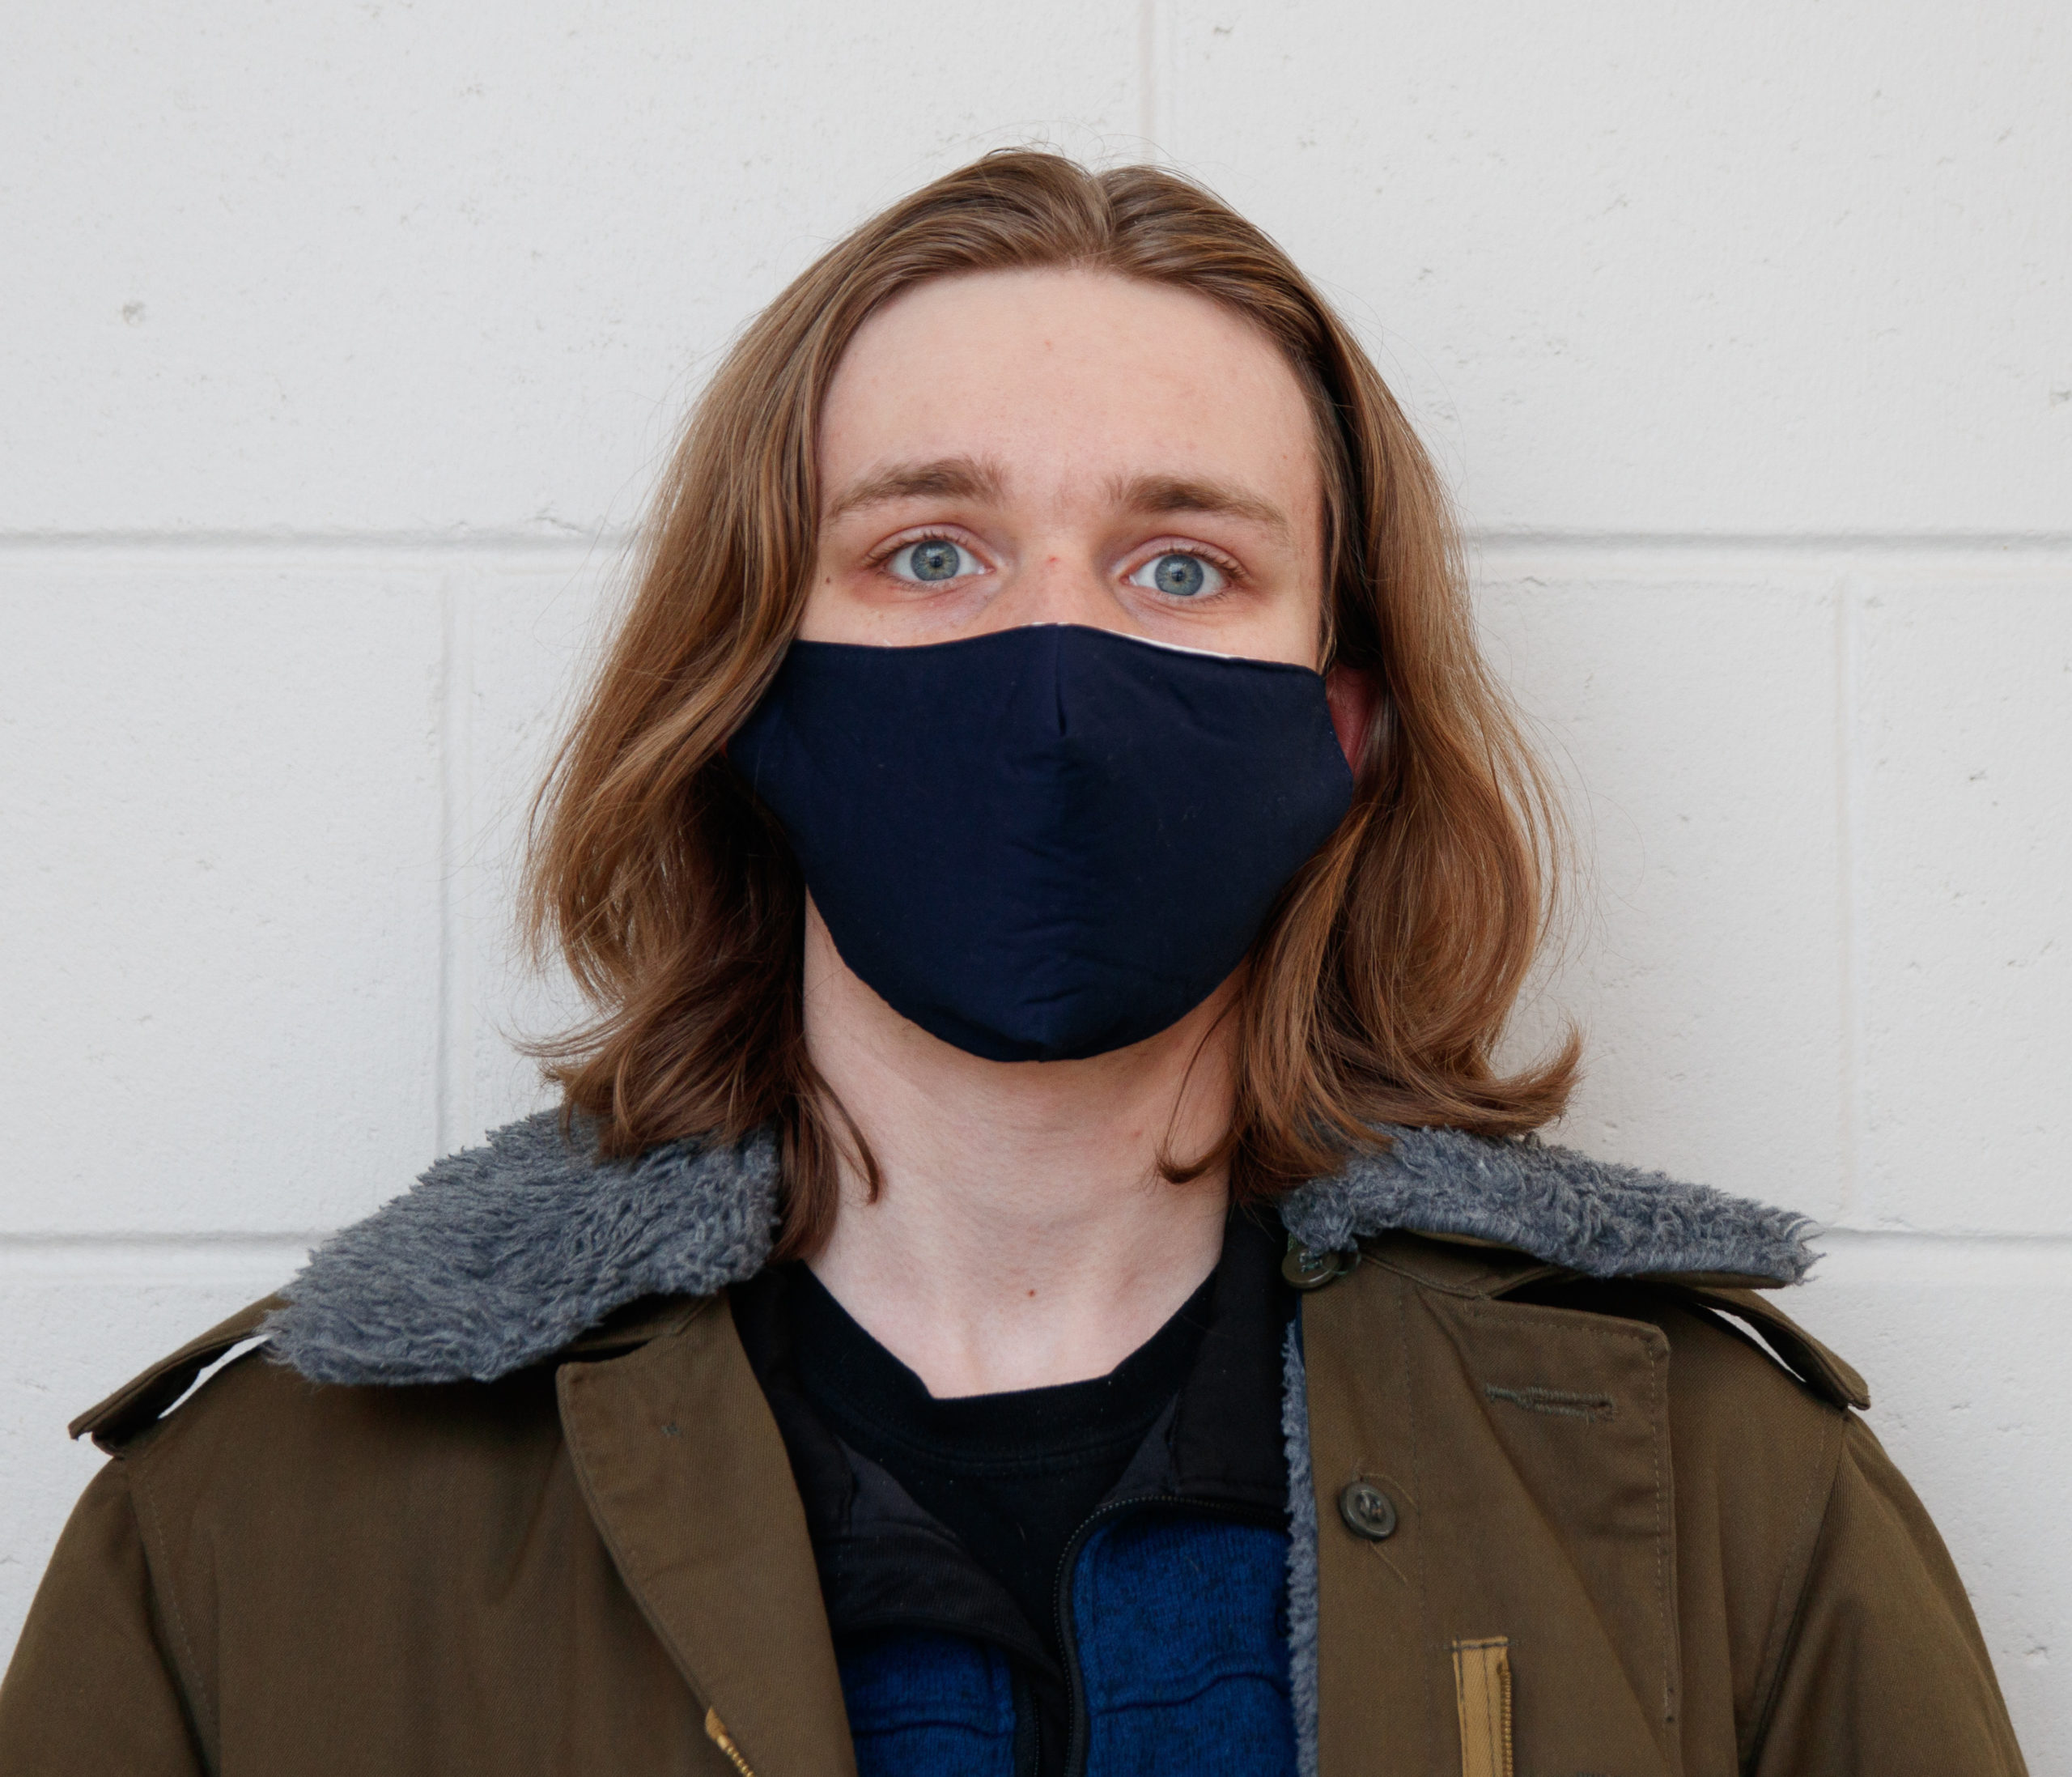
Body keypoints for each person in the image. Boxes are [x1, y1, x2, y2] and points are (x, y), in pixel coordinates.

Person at [0, 151, 2027, 1777]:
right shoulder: (266, 1526)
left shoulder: (1705, 1493)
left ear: (1348, 724)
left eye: (1180, 565)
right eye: (929, 553)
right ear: (742, 690)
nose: (1049, 677)